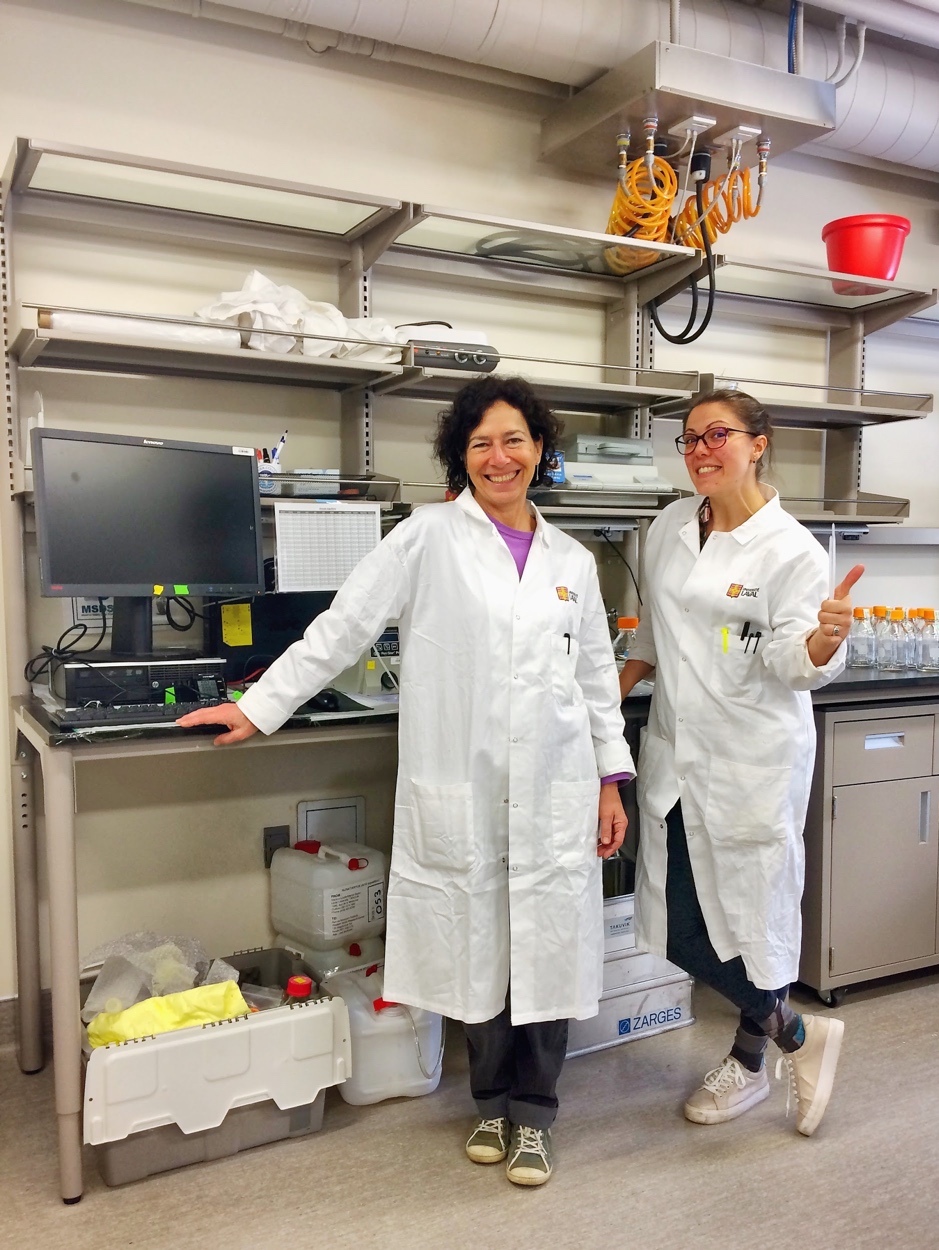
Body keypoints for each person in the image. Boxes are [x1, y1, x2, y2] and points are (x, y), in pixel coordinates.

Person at [179, 376, 634, 1186]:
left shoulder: (571, 558)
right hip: (463, 783)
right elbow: (344, 624)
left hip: (557, 786)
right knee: (479, 949)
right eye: (481, 443)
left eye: (515, 440)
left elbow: (596, 676)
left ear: (539, 449)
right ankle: (489, 1102)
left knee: (549, 949)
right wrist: (259, 705)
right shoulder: (426, 536)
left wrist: (609, 777)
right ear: (461, 457)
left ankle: (536, 1116)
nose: (500, 457)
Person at [618, 388, 861, 1138]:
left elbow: (795, 662)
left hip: (749, 759)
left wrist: (825, 638)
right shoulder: (664, 528)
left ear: (758, 442)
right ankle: (798, 1034)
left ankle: (752, 1060)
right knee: (676, 926)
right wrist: (595, 707)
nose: (699, 451)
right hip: (676, 755)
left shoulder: (788, 548)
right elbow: (647, 641)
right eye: (688, 439)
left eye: (715, 435)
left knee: (751, 921)